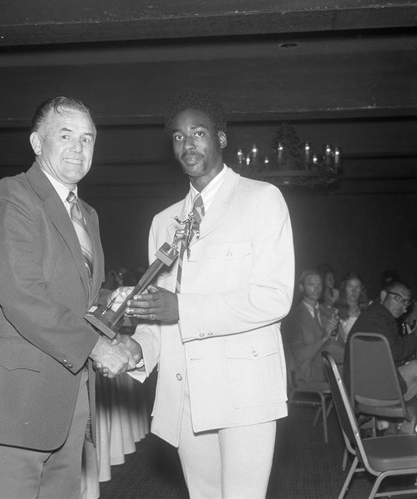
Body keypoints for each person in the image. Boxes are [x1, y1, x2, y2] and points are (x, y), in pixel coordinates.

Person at [115, 91, 295, 498]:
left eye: (198, 133)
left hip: (244, 388)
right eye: (178, 137)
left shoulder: (261, 199)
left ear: (221, 139)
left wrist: (183, 308)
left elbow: (274, 298)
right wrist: (137, 348)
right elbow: (160, 315)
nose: (188, 144)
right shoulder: (163, 223)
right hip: (185, 391)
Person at [0, 96, 136, 499]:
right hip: (10, 407)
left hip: (67, 408)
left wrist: (117, 316)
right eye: (66, 135)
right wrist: (97, 348)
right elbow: (23, 294)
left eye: (87, 139)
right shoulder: (10, 197)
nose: (78, 148)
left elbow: (78, 300)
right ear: (37, 143)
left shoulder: (87, 215)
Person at [345, 280, 417, 401]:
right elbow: (393, 353)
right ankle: (391, 418)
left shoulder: (376, 313)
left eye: (405, 302)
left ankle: (395, 420)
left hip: (366, 382)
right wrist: (414, 337)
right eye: (398, 299)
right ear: (383, 296)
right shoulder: (378, 318)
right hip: (367, 387)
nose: (401, 306)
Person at [282, 270, 344, 383]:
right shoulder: (293, 317)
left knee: (352, 371)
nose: (317, 289)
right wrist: (323, 339)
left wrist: (334, 334)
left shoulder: (328, 313)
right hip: (306, 373)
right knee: (330, 347)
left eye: (319, 285)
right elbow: (298, 357)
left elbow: (340, 344)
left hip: (331, 367)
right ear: (301, 288)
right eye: (312, 285)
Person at [335, 272, 369, 343]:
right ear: (344, 289)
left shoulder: (368, 312)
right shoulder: (336, 313)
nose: (354, 291)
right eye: (350, 287)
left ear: (361, 290)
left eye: (357, 287)